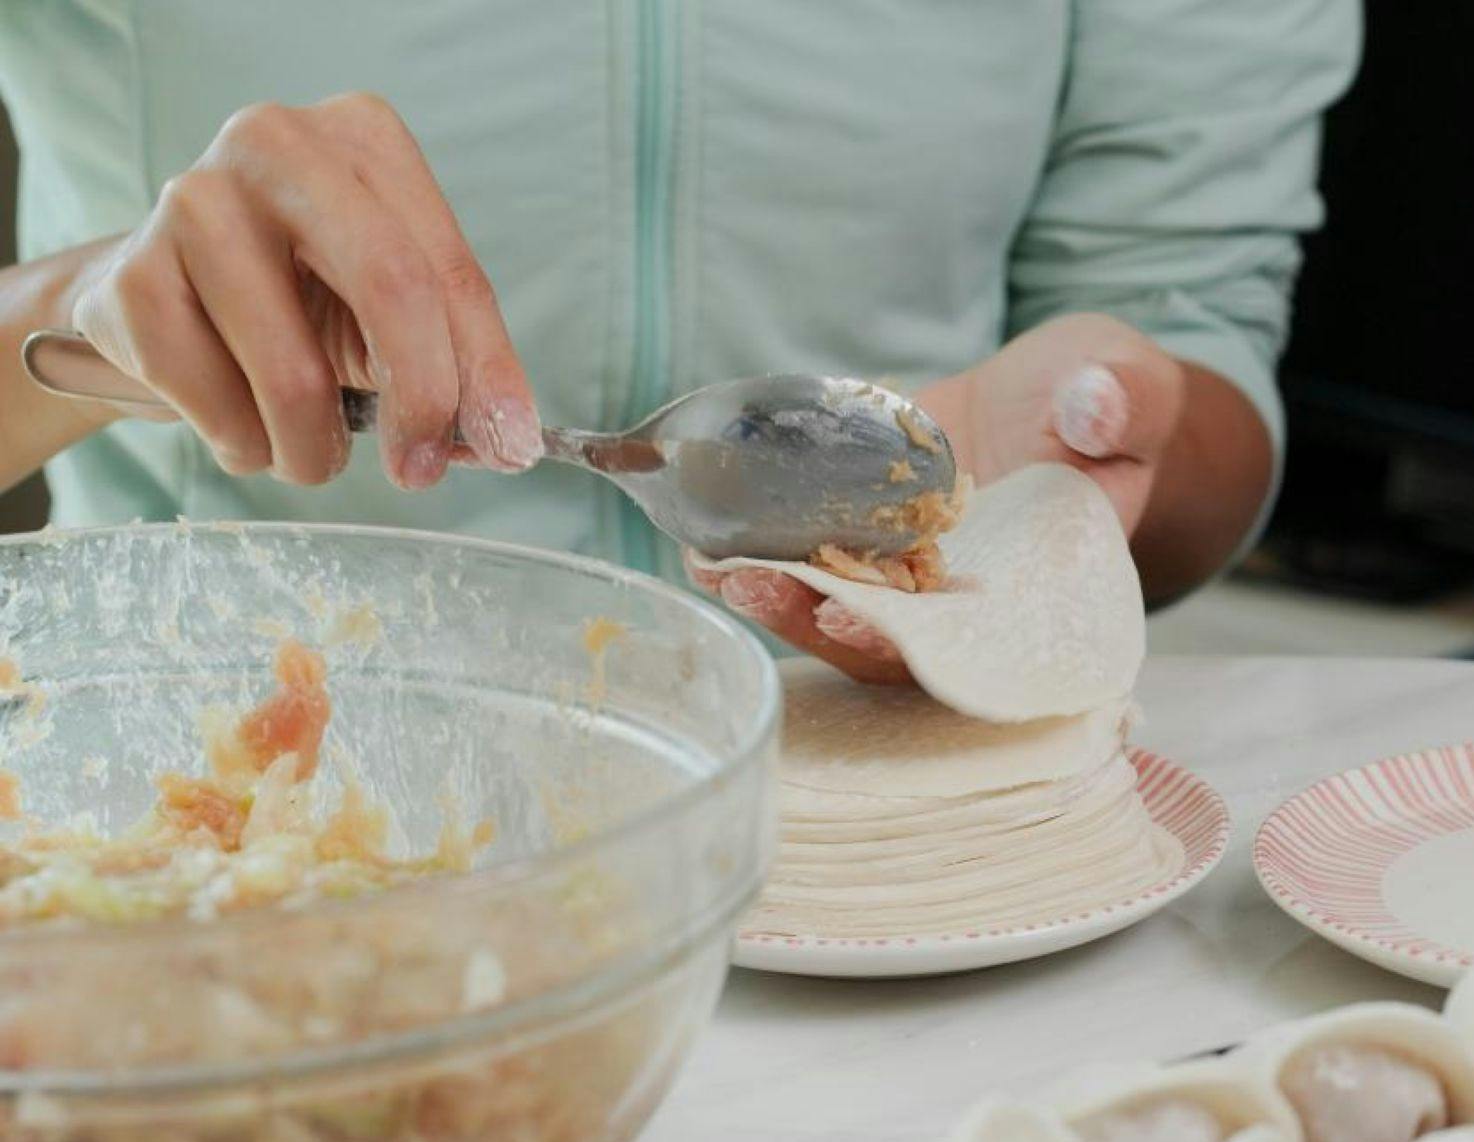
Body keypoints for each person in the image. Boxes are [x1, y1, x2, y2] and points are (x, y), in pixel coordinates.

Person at [0, 4, 1359, 675]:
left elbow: (1196, 330)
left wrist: (1070, 483)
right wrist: (97, 301)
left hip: (901, 843)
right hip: (214, 813)